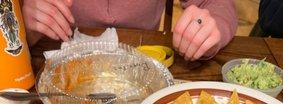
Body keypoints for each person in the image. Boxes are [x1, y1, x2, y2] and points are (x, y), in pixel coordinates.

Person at [22, 0, 237, 61]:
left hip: (143, 63)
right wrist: (23, 22)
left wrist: (211, 28)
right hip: (54, 66)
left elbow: (216, 4)